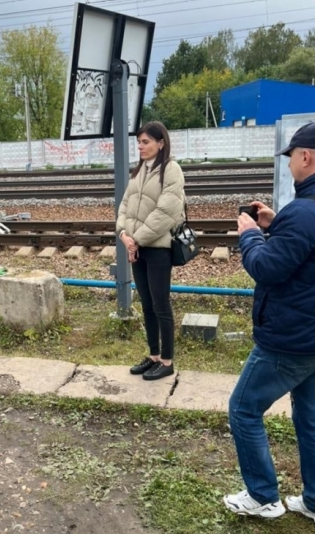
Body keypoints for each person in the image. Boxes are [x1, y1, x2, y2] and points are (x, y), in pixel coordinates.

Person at [223, 122, 315, 529]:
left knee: (243, 410)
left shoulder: (304, 210)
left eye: (290, 158)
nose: (289, 166)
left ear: (304, 157)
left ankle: (263, 497)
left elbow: (267, 268)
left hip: (289, 339)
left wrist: (250, 235)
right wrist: (274, 225)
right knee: (312, 415)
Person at [116, 121, 185, 381]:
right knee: (146, 304)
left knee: (161, 304)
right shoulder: (139, 171)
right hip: (137, 247)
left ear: (161, 143)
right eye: (139, 142)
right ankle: (154, 355)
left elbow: (166, 213)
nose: (141, 146)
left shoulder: (171, 170)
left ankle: (167, 360)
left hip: (156, 249)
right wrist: (124, 235)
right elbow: (124, 206)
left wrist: (137, 240)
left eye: (146, 142)